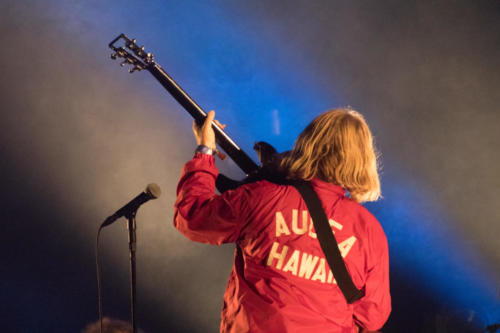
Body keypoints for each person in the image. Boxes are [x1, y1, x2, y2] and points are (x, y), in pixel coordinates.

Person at [174, 109, 391, 332]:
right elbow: (372, 316)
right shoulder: (369, 230)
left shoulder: (263, 197)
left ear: (308, 145)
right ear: (363, 161)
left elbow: (193, 217)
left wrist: (205, 149)